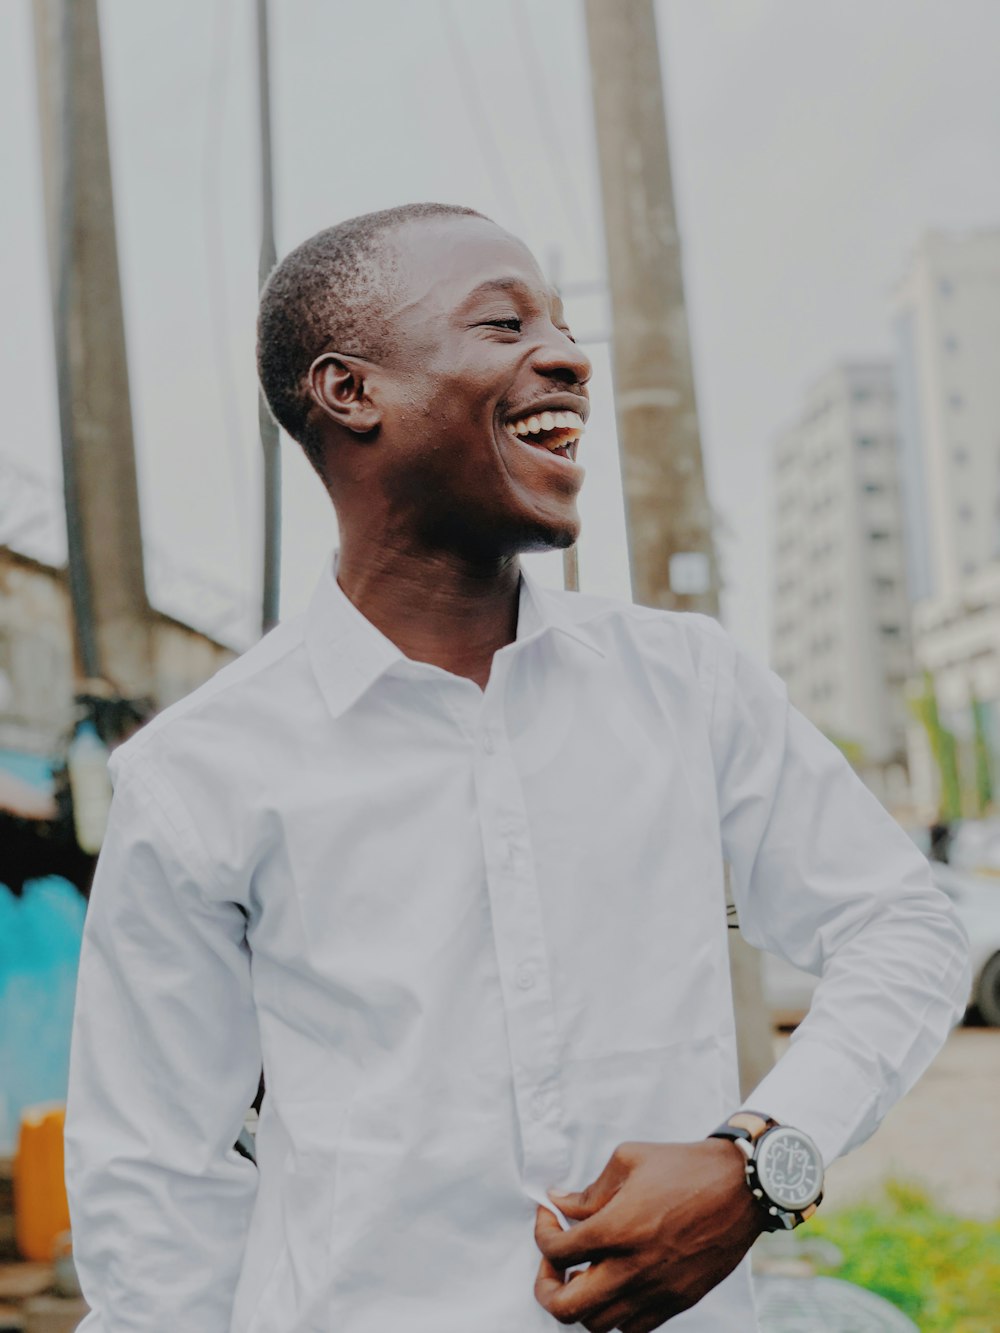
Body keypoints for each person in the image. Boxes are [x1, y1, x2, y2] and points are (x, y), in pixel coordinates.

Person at [65, 203, 969, 1333]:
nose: (568, 357)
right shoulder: (199, 774)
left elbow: (901, 927)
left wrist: (758, 1159)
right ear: (351, 393)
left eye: (560, 322)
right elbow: (155, 1198)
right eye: (503, 323)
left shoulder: (688, 684)